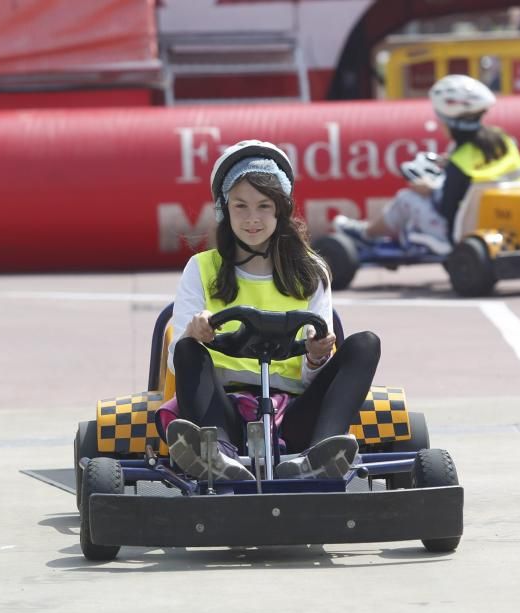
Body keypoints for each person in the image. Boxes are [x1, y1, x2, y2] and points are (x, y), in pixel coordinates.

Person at [160, 139, 381, 482]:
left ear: (281, 209)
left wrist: (315, 356)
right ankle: (217, 456)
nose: (252, 219)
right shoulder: (201, 268)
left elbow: (311, 377)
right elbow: (178, 362)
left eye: (264, 206)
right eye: (241, 207)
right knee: (187, 347)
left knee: (366, 343)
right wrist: (197, 331)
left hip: (294, 412)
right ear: (224, 209)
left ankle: (320, 455)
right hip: (223, 408)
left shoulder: (311, 271)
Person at [338, 74, 520, 254]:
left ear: (448, 122)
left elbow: (448, 209)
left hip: (456, 234)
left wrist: (430, 190)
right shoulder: (505, 142)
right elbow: (480, 176)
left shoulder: (459, 163)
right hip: (505, 223)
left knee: (406, 198)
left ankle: (367, 234)